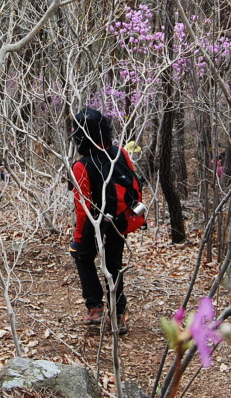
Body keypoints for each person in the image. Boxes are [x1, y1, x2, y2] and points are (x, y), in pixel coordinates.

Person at [69, 107, 134, 335]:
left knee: (83, 257)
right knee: (113, 264)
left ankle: (95, 308)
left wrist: (78, 240)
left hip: (95, 222)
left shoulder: (81, 166)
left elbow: (82, 209)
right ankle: (118, 315)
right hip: (120, 218)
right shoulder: (121, 153)